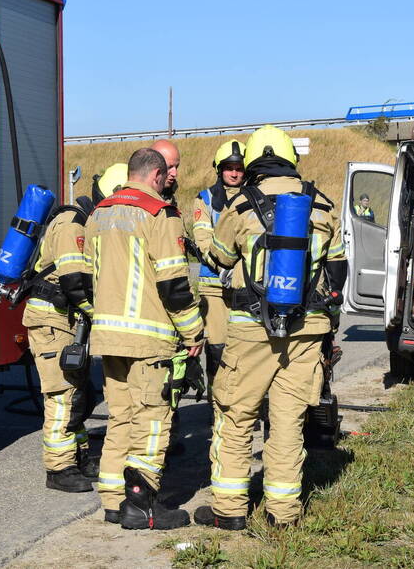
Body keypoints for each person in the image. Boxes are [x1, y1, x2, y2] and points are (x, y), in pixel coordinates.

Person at [193, 125, 347, 530]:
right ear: (292, 161)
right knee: (287, 420)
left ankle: (229, 510)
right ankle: (284, 513)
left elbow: (220, 261)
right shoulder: (322, 206)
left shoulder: (241, 206)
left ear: (251, 164)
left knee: (235, 414)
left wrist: (205, 237)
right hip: (307, 331)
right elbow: (338, 270)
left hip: (251, 330)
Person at [85, 148, 204, 530]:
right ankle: (141, 504)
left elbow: (90, 276)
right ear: (154, 175)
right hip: (149, 339)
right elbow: (173, 283)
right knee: (153, 419)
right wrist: (193, 331)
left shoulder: (99, 213)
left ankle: (112, 500)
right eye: (167, 172)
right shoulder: (160, 214)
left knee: (120, 419)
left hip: (107, 337)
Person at [21, 165, 126, 492]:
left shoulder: (87, 223)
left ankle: (79, 455)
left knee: (80, 390)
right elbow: (74, 282)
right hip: (52, 320)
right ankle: (59, 467)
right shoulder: (72, 225)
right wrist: (103, 316)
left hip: (67, 320)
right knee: (62, 394)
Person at [191, 140, 246, 384]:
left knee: (247, 352)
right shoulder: (205, 199)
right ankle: (217, 409)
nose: (234, 173)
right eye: (229, 168)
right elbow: (203, 242)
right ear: (219, 169)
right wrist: (225, 269)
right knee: (218, 350)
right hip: (214, 287)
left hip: (246, 287)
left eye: (239, 168)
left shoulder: (255, 198)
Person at [150, 139, 181, 205]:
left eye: (176, 167)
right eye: (169, 167)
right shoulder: (135, 199)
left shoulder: (168, 196)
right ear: (152, 165)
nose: (175, 174)